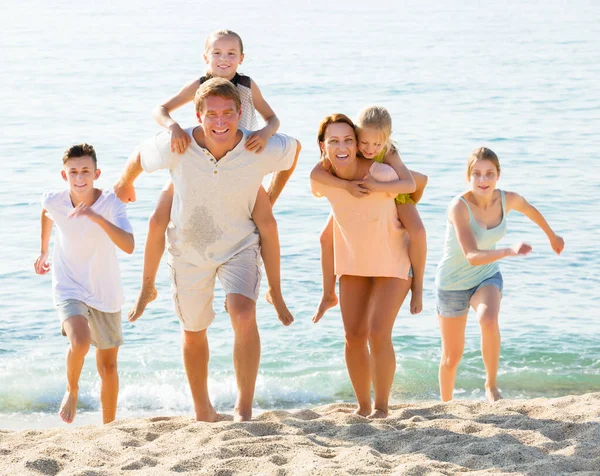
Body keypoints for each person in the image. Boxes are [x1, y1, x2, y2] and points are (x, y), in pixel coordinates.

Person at [114, 78, 301, 422]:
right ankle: (203, 409)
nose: (220, 122)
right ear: (198, 114)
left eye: (227, 114)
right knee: (194, 330)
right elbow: (141, 155)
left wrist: (270, 196)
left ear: (239, 113)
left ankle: (244, 408)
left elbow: (294, 150)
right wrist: (125, 183)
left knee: (243, 313)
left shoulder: (258, 146)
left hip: (239, 245)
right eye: (211, 114)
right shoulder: (178, 143)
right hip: (189, 250)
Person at [130, 29, 292, 326]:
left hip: (241, 169)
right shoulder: (201, 85)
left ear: (242, 58)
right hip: (198, 166)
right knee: (156, 220)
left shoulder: (246, 85)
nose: (224, 59)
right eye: (217, 53)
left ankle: (275, 292)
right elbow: (160, 109)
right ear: (205, 57)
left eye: (232, 54)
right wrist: (174, 128)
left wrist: (264, 133)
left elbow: (274, 119)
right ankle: (147, 288)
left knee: (268, 224)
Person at [435, 147, 565, 403]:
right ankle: (445, 405)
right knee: (452, 356)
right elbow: (471, 255)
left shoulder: (507, 199)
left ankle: (491, 387)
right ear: (468, 177)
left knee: (489, 318)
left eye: (489, 174)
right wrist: (508, 251)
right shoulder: (458, 207)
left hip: (486, 275)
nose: (483, 180)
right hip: (453, 282)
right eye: (477, 174)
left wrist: (552, 236)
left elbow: (530, 210)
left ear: (498, 176)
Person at [310, 114, 413, 418]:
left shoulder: (380, 170)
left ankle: (381, 408)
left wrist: (384, 189)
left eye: (348, 140)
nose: (342, 146)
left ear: (357, 143)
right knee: (353, 337)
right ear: (323, 145)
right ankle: (363, 407)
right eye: (334, 141)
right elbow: (317, 179)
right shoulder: (322, 178)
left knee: (378, 333)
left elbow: (416, 183)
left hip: (392, 261)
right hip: (353, 262)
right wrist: (347, 187)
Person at [34, 144, 134, 424]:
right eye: (73, 172)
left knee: (108, 365)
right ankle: (72, 389)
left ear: (96, 173)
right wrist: (43, 250)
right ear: (64, 175)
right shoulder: (55, 200)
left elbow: (129, 246)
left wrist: (96, 217)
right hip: (69, 286)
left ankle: (109, 425)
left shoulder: (111, 204)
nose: (80, 178)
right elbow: (46, 212)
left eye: (86, 172)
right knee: (79, 342)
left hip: (105, 291)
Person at [311, 106, 428, 323]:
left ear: (386, 140)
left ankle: (418, 287)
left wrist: (391, 196)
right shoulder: (350, 149)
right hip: (373, 196)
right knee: (325, 238)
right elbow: (315, 173)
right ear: (356, 137)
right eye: (364, 143)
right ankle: (328, 294)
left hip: (396, 193)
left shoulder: (389, 152)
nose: (370, 149)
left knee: (418, 232)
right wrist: (345, 186)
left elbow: (412, 184)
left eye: (376, 144)